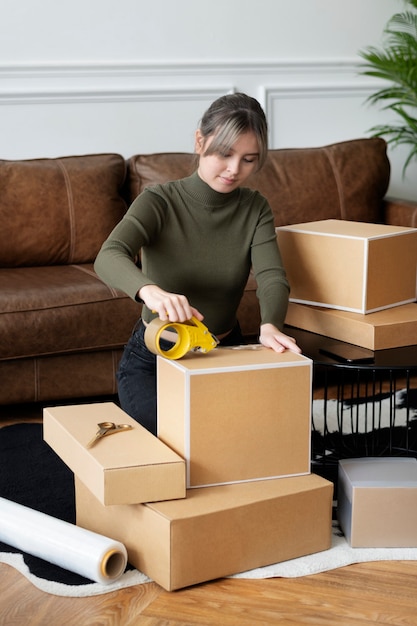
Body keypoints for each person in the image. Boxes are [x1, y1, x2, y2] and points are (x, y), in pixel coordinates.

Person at [94, 92, 301, 435]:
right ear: (199, 141)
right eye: (224, 154)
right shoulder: (158, 201)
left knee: (250, 439)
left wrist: (271, 325)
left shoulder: (254, 207)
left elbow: (271, 276)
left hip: (225, 352)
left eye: (249, 159)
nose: (235, 170)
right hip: (157, 358)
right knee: (179, 442)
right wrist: (151, 292)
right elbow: (109, 254)